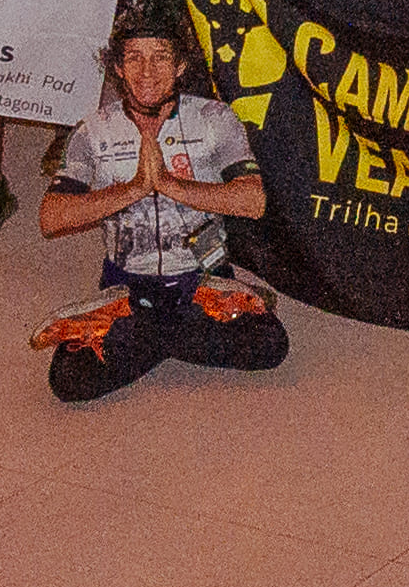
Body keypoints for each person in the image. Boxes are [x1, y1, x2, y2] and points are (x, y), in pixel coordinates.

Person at [37, 20, 289, 400]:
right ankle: (167, 332)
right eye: (134, 58)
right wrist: (136, 188)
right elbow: (51, 217)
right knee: (69, 380)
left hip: (204, 279)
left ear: (181, 65)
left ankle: (152, 337)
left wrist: (170, 185)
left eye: (160, 58)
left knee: (270, 344)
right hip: (129, 285)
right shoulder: (93, 131)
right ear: (118, 68)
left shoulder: (215, 119)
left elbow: (253, 202)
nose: (147, 72)